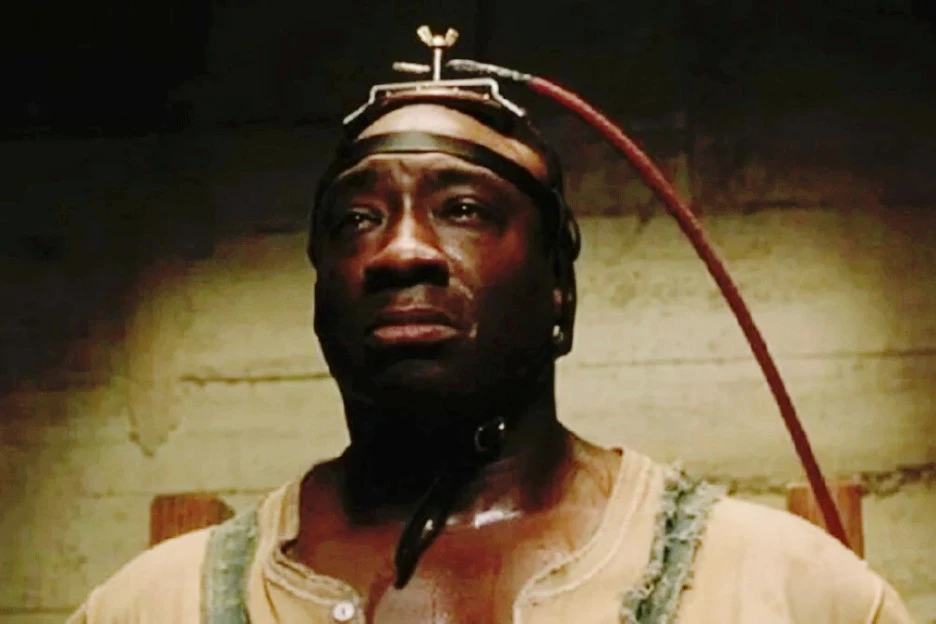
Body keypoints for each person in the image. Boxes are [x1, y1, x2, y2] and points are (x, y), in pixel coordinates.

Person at [68, 41, 916, 624]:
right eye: (357, 219)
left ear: (559, 285)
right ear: (319, 290)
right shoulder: (154, 605)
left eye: (464, 209)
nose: (399, 250)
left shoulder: (777, 590)